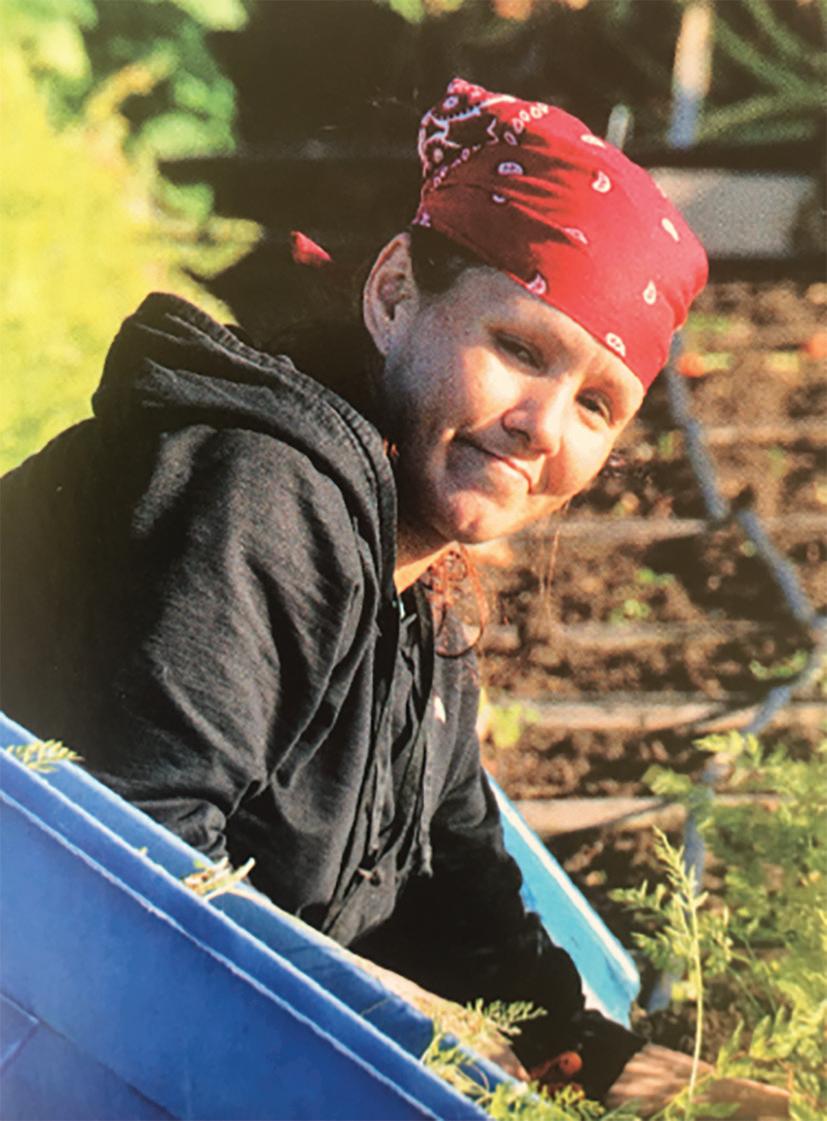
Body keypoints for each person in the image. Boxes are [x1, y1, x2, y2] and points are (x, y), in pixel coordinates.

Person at [0, 78, 787, 1116]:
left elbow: (455, 894)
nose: (543, 425)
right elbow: (123, 877)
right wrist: (409, 1024)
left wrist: (603, 1064)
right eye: (519, 348)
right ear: (393, 294)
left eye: (597, 405)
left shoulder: (421, 599)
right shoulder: (261, 497)